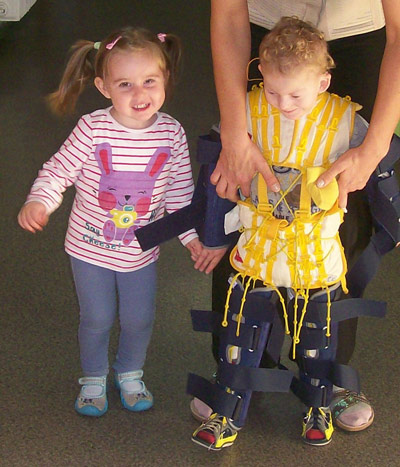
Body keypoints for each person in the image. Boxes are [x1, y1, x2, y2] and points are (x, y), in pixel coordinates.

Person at [192, 0, 400, 433]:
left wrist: (375, 147)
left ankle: (329, 374)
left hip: (357, 34)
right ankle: (237, 366)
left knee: (340, 217)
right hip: (267, 34)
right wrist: (235, 135)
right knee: (248, 199)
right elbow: (227, 13)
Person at [17, 27, 203, 417]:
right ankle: (93, 377)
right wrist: (40, 200)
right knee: (97, 317)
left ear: (165, 78)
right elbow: (58, 171)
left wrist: (191, 238)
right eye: (125, 84)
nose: (140, 94)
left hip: (140, 253)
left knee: (139, 318)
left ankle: (129, 372)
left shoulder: (171, 134)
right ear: (103, 87)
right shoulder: (93, 129)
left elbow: (179, 194)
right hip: (88, 247)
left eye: (149, 81)